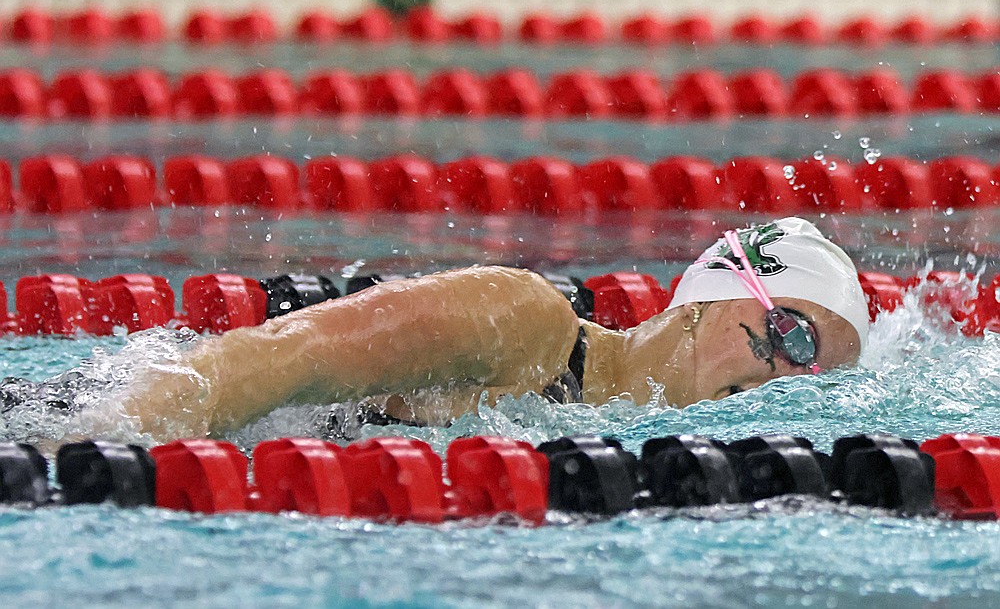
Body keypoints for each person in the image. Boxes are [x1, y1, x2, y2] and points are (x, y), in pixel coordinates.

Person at [102, 216, 867, 441]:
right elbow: (279, 354)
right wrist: (102, 438)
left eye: (813, 371)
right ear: (715, 293)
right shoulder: (534, 326)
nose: (785, 373)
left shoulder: (609, 435)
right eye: (792, 334)